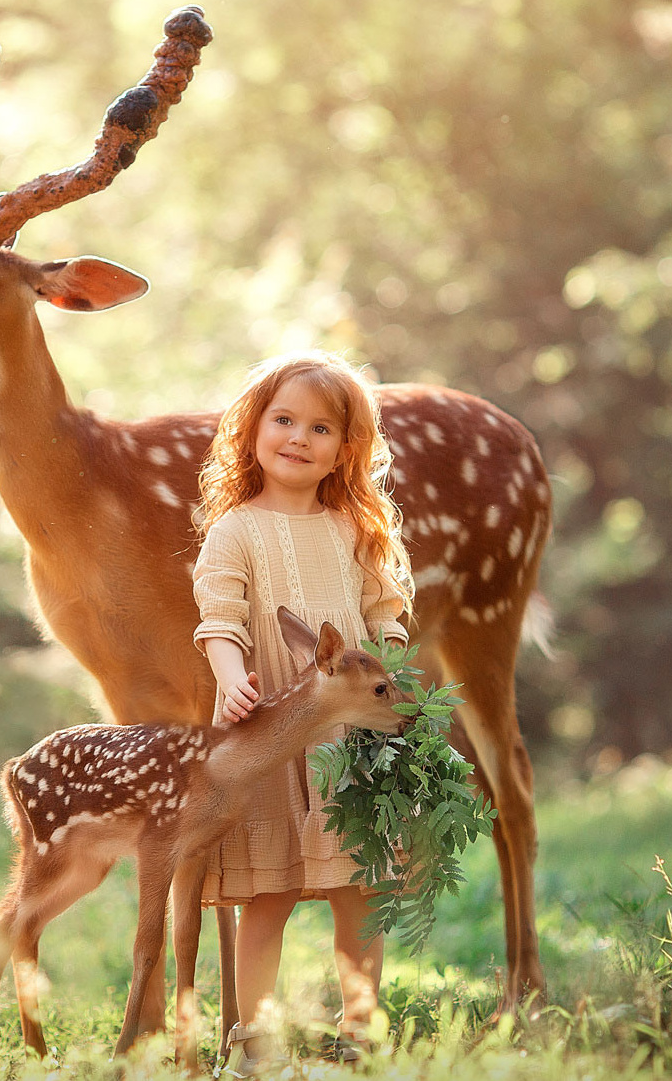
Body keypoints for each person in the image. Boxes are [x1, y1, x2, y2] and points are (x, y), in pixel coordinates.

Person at [192, 350, 413, 1073]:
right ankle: (254, 1037)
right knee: (271, 890)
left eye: (320, 428)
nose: (297, 436)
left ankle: (362, 1028)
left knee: (362, 885)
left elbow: (386, 611)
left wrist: (396, 668)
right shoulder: (235, 531)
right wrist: (230, 680)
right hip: (274, 741)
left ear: (345, 450)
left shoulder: (353, 529)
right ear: (253, 428)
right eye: (283, 419)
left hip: (349, 744)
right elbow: (219, 619)